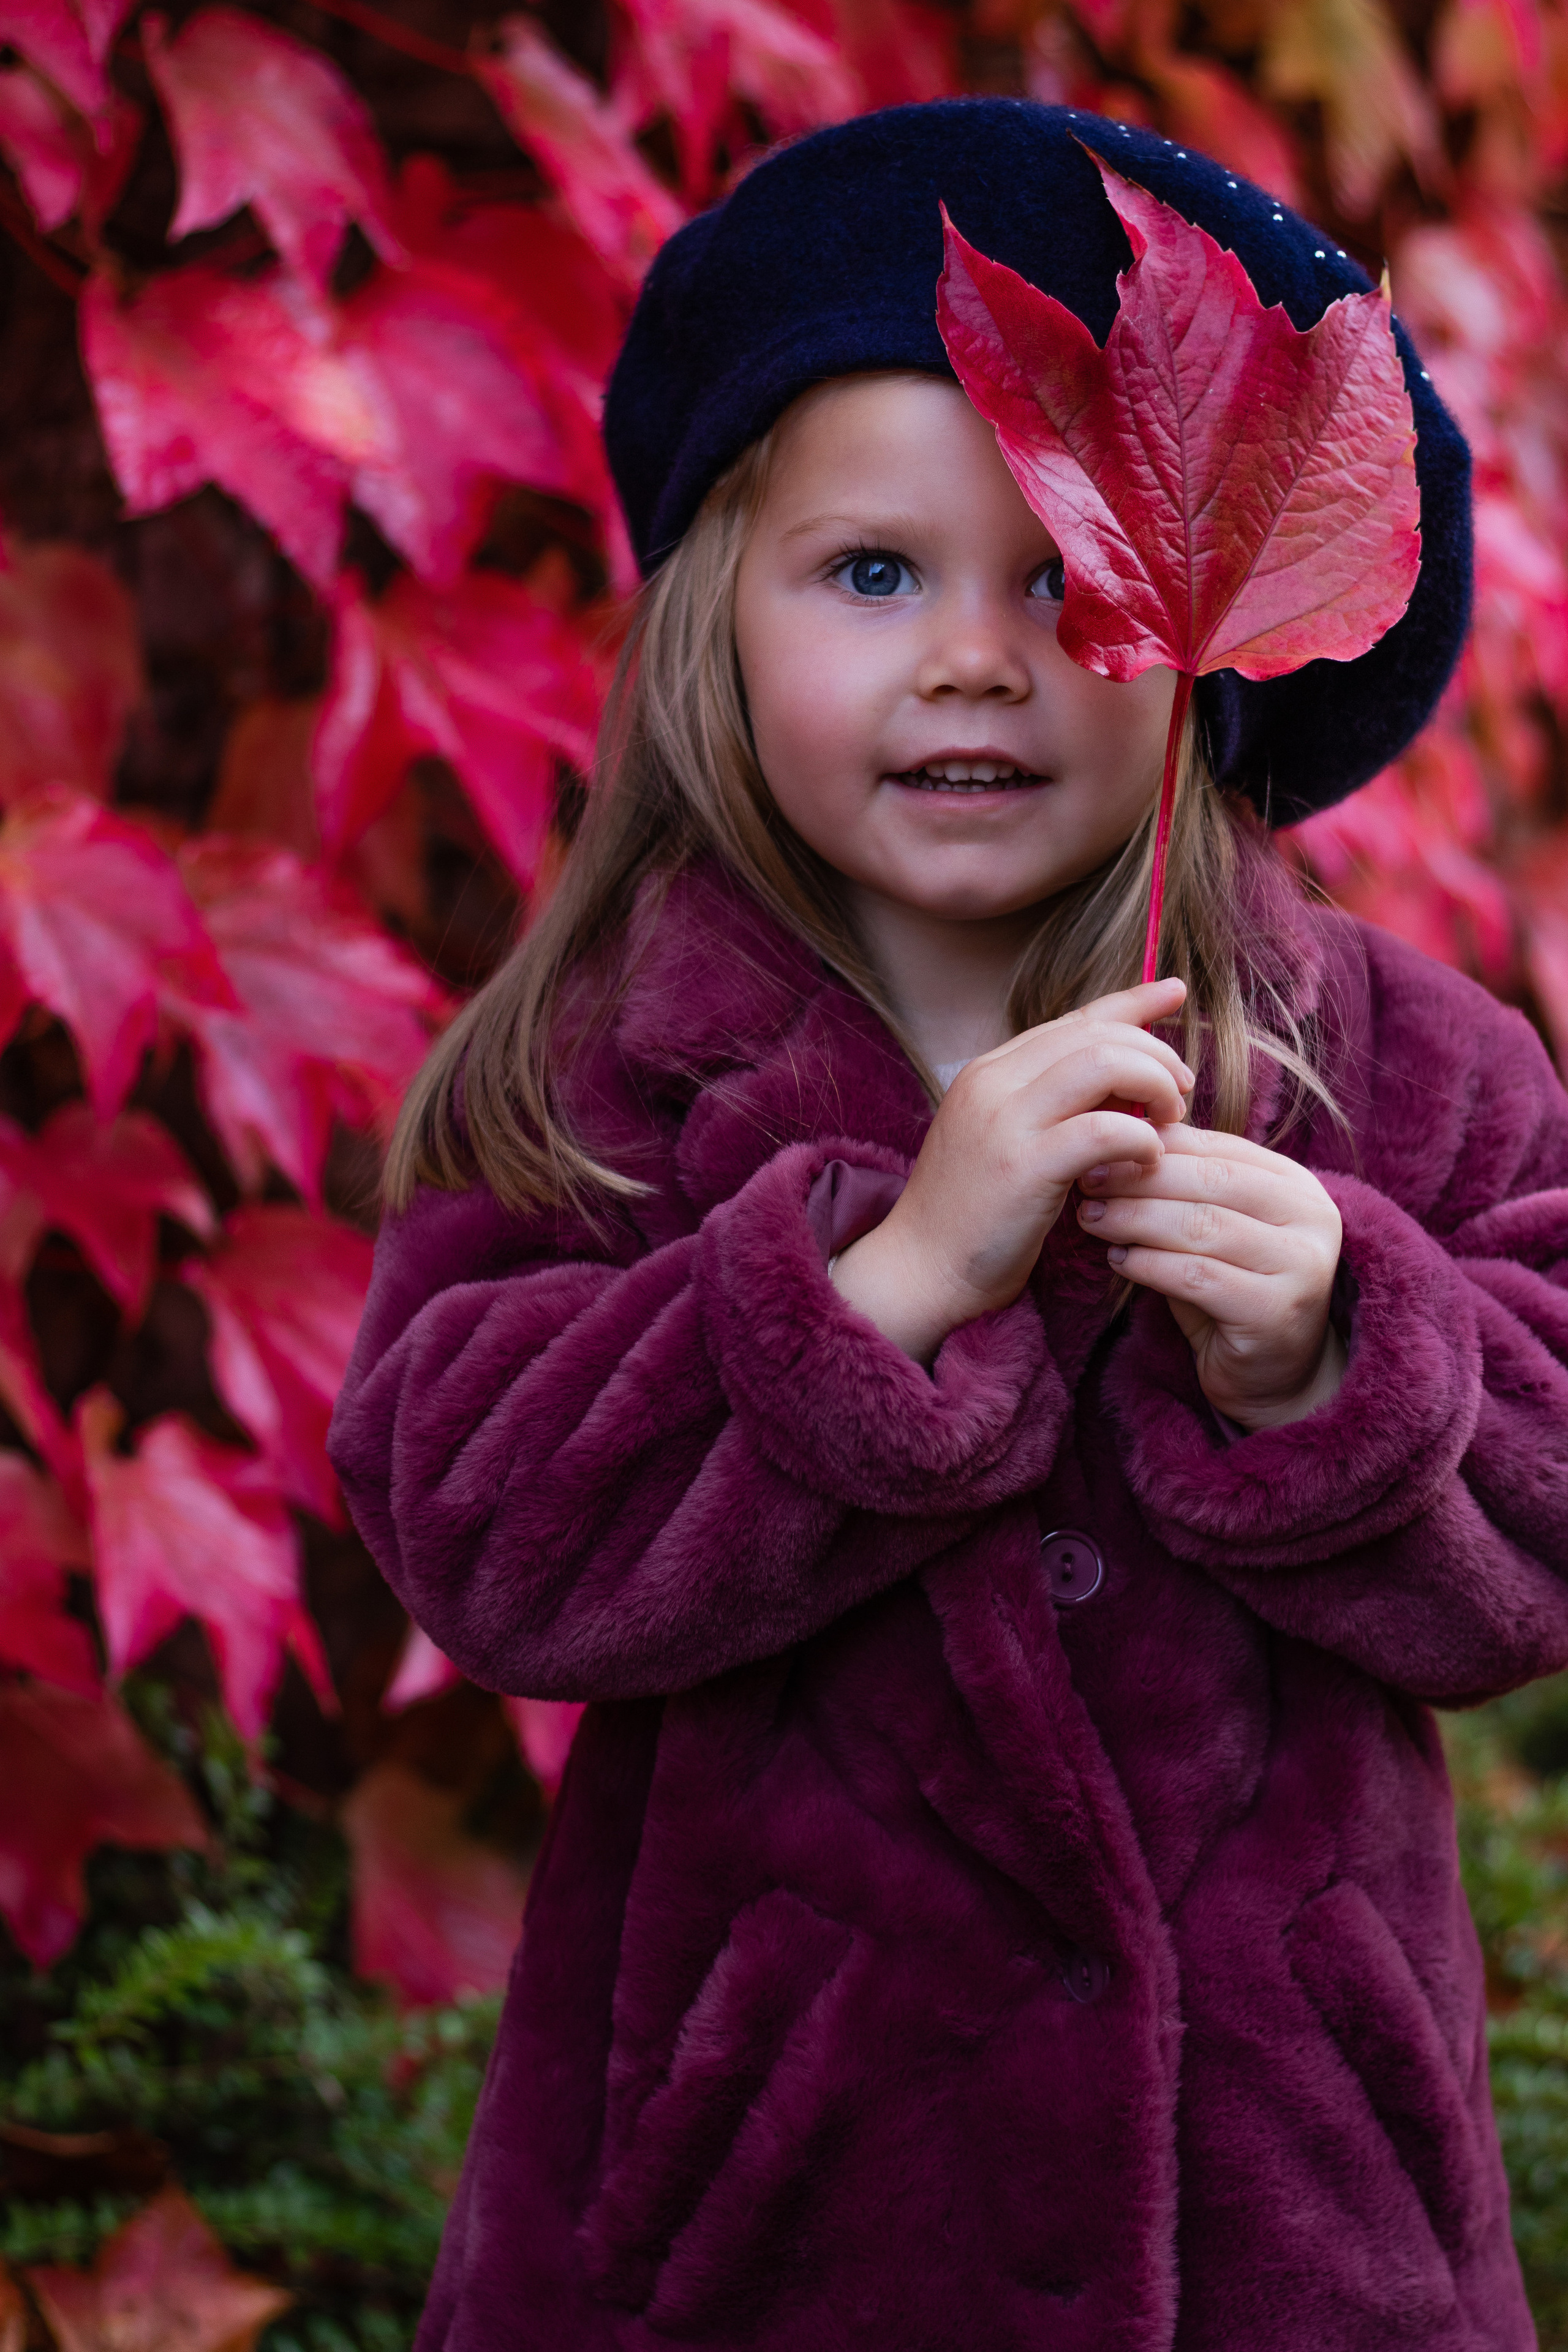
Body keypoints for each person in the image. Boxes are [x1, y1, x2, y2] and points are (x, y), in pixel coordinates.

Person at [327, 101, 1568, 2352]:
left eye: (1069, 584)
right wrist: (878, 1294)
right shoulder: (611, 1070)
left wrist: (1340, 1357)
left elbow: (1552, 1505)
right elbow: (470, 1517)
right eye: (876, 572)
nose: (978, 660)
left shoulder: (1395, 1067)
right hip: (751, 2248)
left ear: (1211, 633)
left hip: (1293, 2253)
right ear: (722, 612)